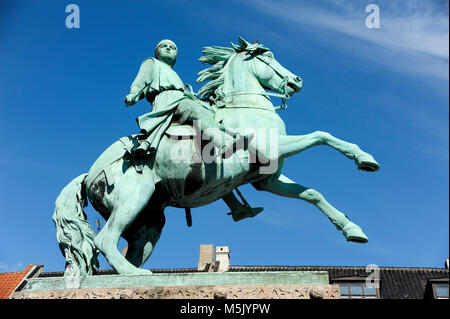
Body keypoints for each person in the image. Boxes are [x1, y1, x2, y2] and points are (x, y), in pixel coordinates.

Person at [124, 39, 249, 159]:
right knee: (196, 111)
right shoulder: (152, 62)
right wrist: (133, 94)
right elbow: (141, 81)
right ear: (157, 52)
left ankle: (225, 135)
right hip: (169, 99)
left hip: (181, 98)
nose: (168, 48)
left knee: (210, 111)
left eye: (172, 48)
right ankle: (222, 143)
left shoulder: (173, 73)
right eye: (164, 46)